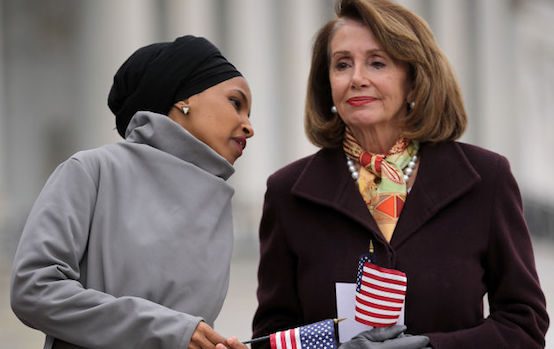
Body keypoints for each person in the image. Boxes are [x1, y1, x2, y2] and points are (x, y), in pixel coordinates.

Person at [252, 0, 549, 348]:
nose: (357, 78)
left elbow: (523, 324)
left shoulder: (487, 179)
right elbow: (272, 336)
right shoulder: (288, 192)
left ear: (414, 80)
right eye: (342, 64)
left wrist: (429, 347)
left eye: (377, 63)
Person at [11, 35, 254, 349]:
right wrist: (170, 331)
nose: (249, 126)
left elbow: (189, 331)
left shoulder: (216, 204)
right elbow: (34, 288)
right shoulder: (92, 171)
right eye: (236, 103)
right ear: (185, 98)